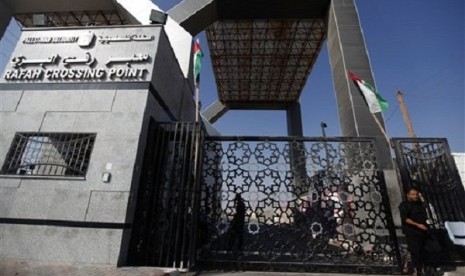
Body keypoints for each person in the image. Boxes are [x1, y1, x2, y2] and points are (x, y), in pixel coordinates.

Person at [399, 187, 429, 276]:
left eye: (416, 194)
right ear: (408, 195)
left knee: (421, 251)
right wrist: (418, 225)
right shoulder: (404, 205)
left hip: (422, 232)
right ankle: (417, 270)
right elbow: (405, 219)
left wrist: (422, 198)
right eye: (413, 194)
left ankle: (421, 268)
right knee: (415, 251)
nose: (415, 196)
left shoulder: (419, 204)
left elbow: (425, 211)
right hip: (412, 231)